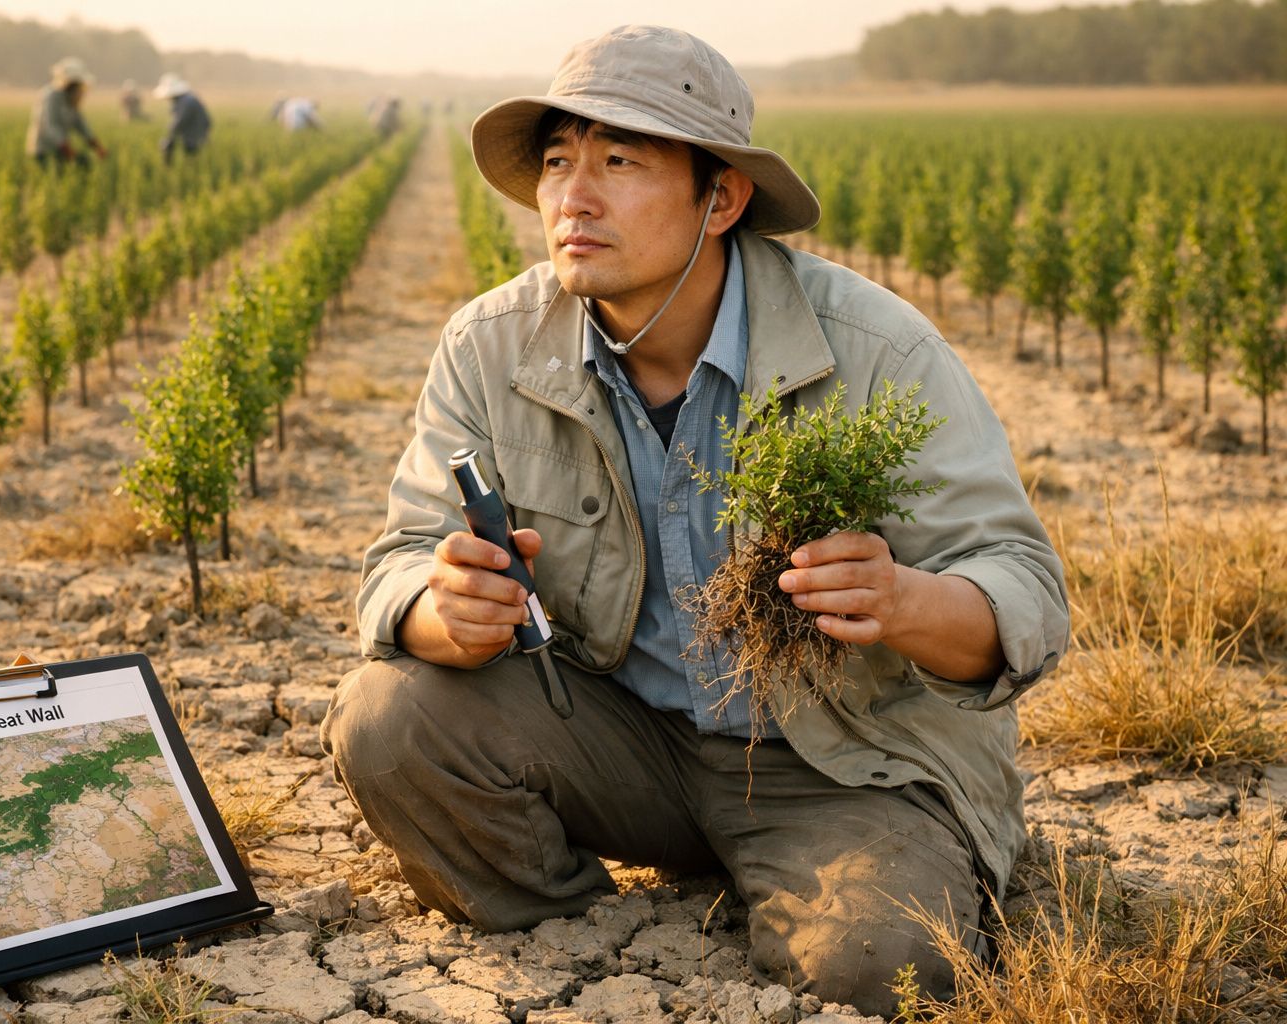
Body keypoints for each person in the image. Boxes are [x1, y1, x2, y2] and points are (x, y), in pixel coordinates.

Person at [320, 24, 1069, 1015]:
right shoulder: (491, 347)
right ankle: (582, 931)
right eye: (557, 161)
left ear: (721, 197)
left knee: (881, 969)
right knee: (386, 722)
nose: (572, 197)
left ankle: (816, 877)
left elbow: (1027, 593)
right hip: (625, 740)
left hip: (838, 761)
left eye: (619, 160)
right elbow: (399, 563)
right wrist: (437, 607)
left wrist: (901, 599)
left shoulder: (874, 349)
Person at [26, 58, 106, 168]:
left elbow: (81, 125)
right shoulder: (51, 96)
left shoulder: (71, 100)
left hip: (59, 151)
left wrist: (96, 146)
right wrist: (67, 149)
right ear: (71, 83)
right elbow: (50, 126)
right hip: (43, 150)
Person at [153, 73, 211, 163]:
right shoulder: (187, 99)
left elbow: (180, 121)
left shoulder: (185, 102)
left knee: (192, 158)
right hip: (196, 133)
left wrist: (170, 137)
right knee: (193, 157)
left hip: (194, 135)